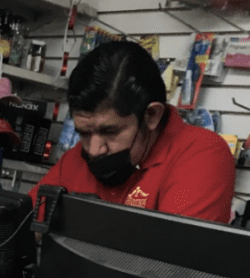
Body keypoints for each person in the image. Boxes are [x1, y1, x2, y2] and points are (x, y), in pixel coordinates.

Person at [29, 40, 235, 224]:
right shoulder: (77, 158)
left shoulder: (201, 155)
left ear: (152, 115)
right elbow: (19, 227)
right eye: (83, 133)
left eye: (110, 131)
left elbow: (173, 261)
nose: (94, 150)